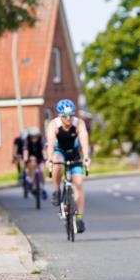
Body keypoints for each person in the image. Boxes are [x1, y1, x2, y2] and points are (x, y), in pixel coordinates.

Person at [45, 99, 91, 233]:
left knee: (79, 183)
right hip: (59, 152)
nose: (68, 118)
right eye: (65, 116)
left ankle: (79, 218)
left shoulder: (79, 123)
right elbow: (51, 143)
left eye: (71, 115)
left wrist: (86, 157)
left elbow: (84, 139)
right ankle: (56, 190)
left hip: (73, 153)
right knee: (57, 161)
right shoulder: (54, 125)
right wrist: (49, 159)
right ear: (59, 115)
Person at [22, 126, 47, 199]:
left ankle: (43, 188)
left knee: (42, 170)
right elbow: (25, 151)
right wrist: (26, 159)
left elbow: (44, 150)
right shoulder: (27, 140)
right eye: (32, 137)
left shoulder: (41, 139)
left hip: (40, 157)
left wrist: (45, 158)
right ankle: (32, 183)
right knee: (31, 164)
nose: (34, 138)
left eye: (35, 137)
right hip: (31, 156)